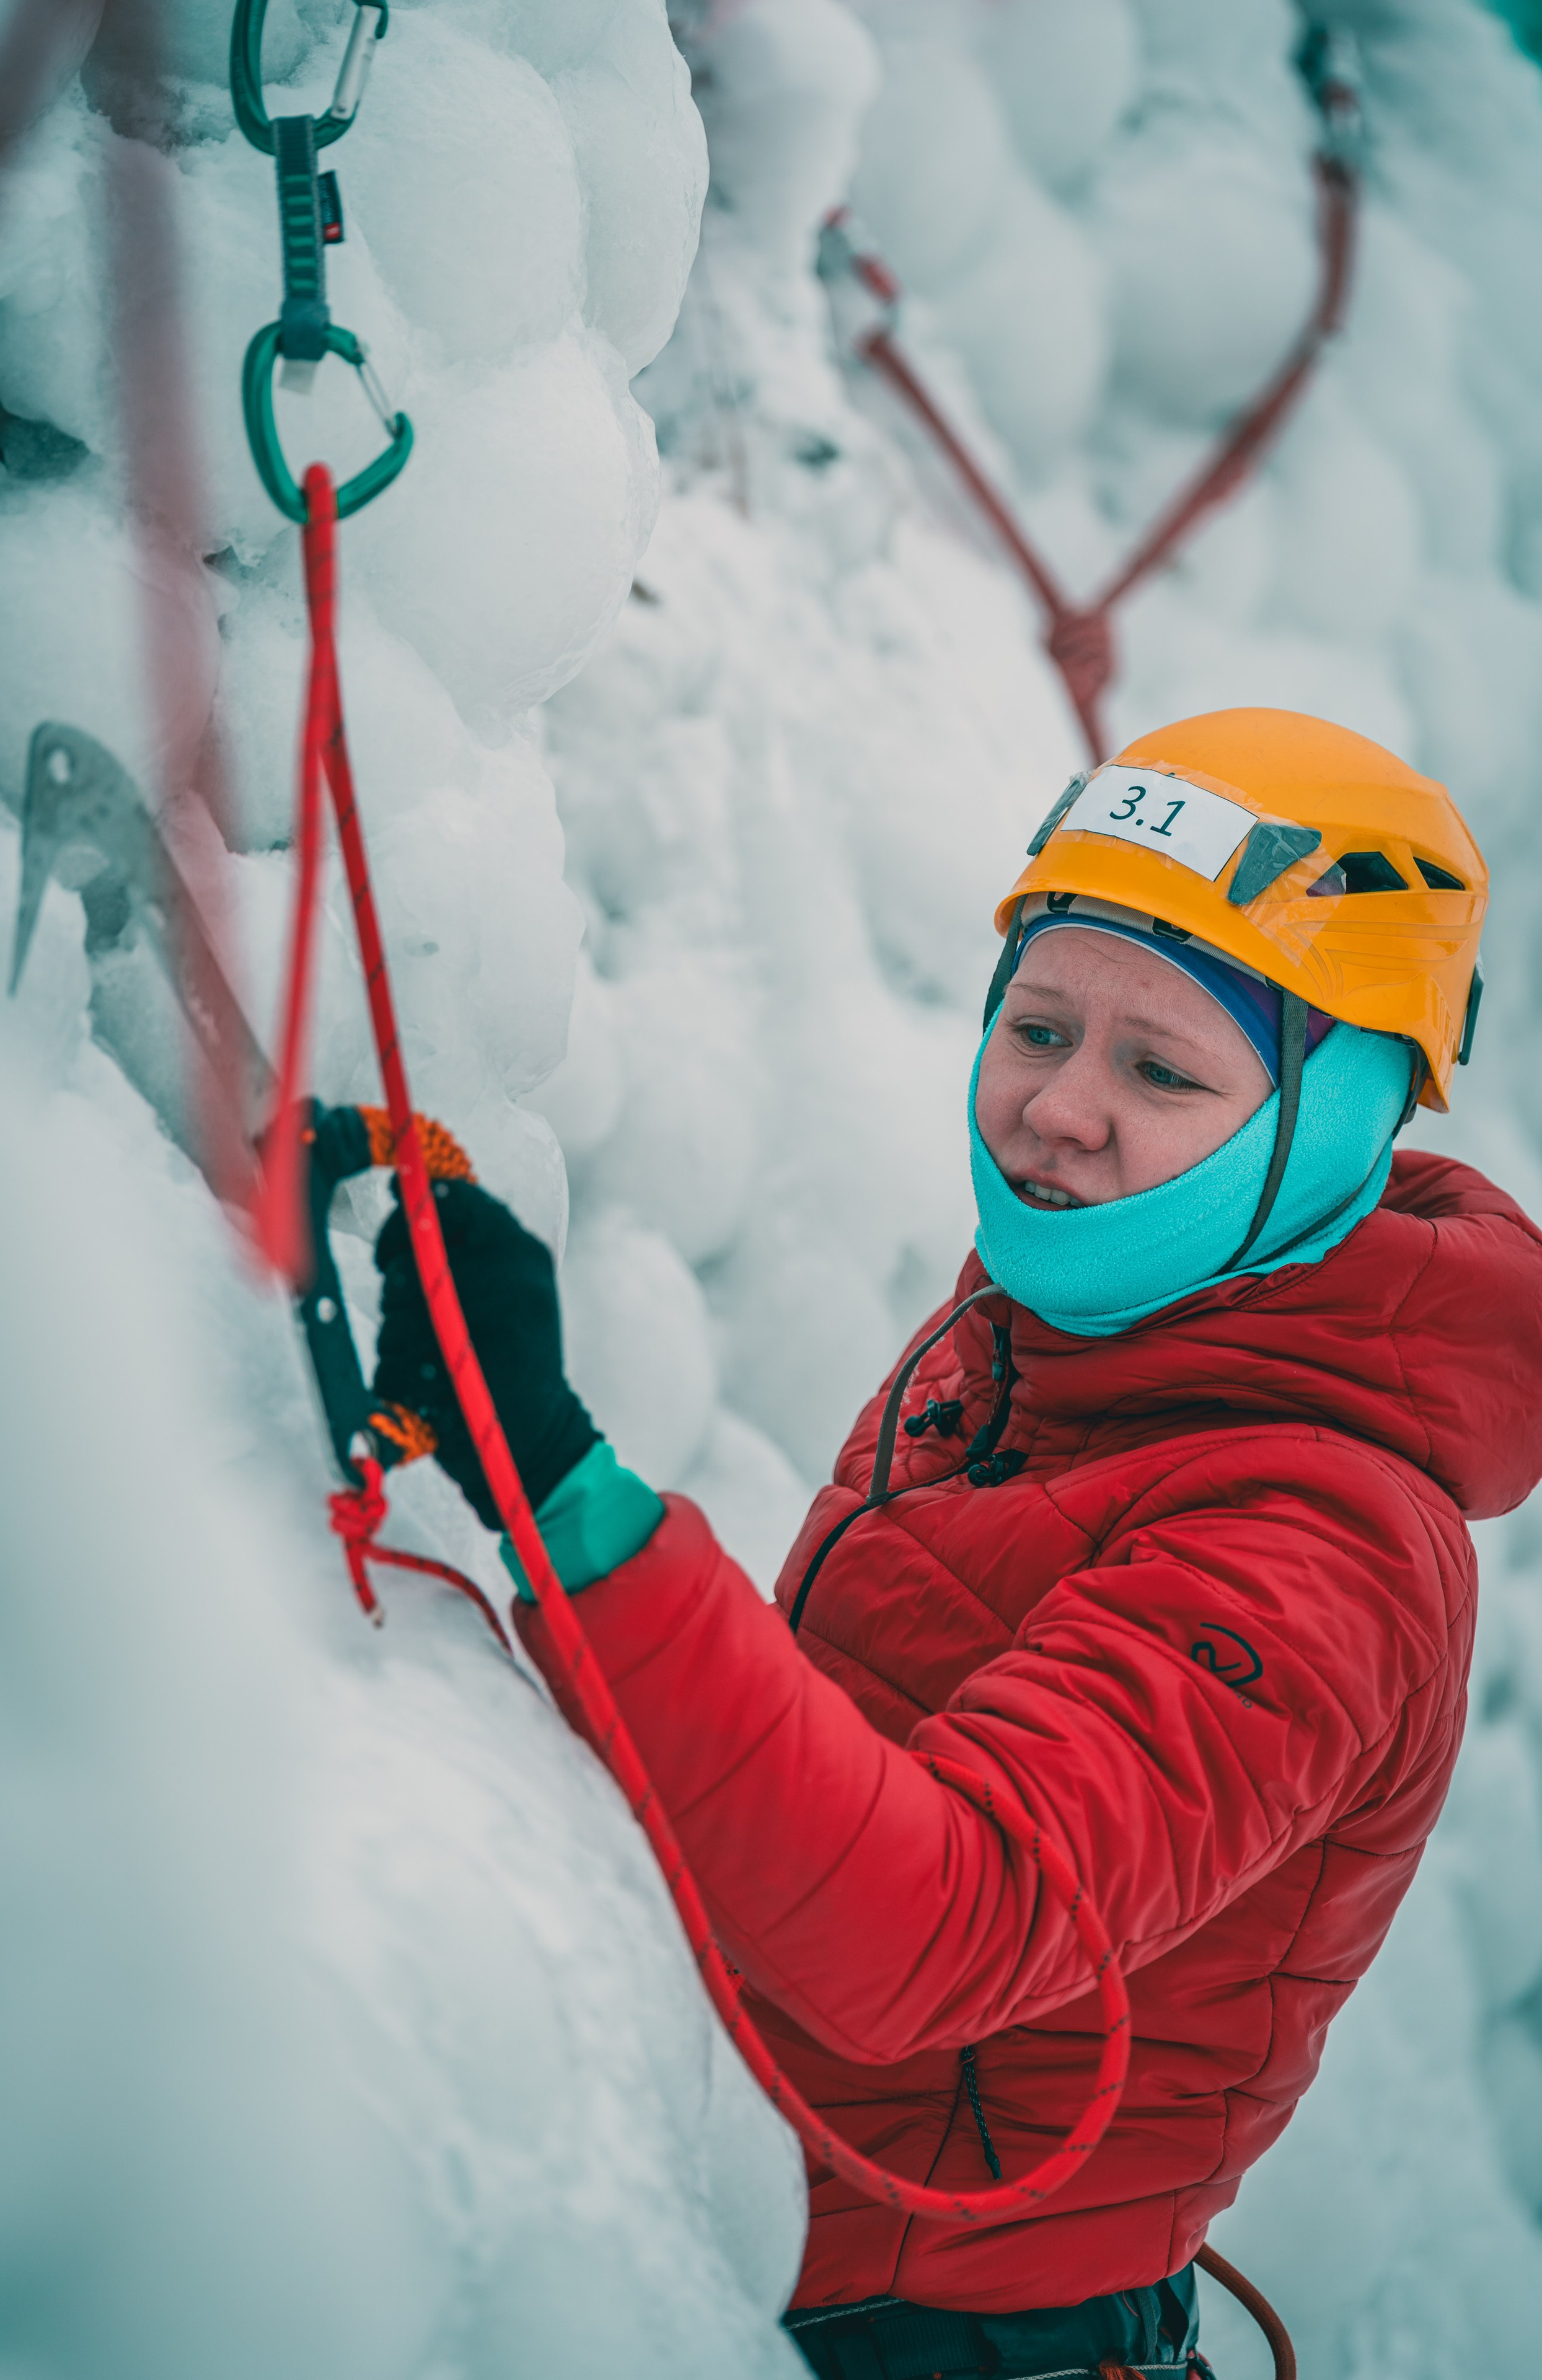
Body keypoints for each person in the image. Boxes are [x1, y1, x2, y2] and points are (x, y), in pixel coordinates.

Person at [373, 709, 1542, 2380]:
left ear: (1336, 1121)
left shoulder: (1322, 1544)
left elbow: (938, 1925)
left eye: (1163, 1070)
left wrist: (560, 1482)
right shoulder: (1069, 1329)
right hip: (800, 2246)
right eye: (1039, 1024)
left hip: (946, 2339)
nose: (1058, 1112)